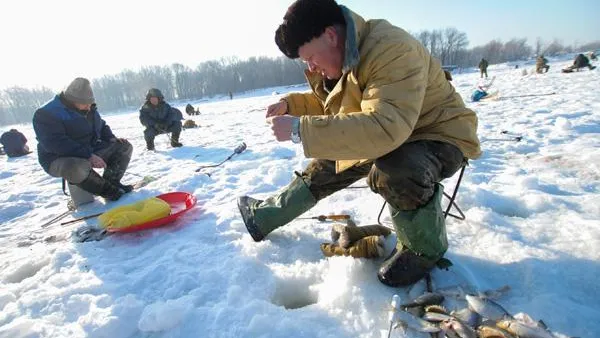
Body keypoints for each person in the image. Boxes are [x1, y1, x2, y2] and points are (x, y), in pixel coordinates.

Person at [237, 0, 481, 287]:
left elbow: (383, 127)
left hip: (440, 134)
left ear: (330, 35)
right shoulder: (347, 55)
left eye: (310, 58)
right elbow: (336, 104)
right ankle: (265, 216)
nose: (311, 67)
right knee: (331, 160)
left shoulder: (391, 49)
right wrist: (290, 104)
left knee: (395, 169)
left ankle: (423, 250)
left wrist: (298, 130)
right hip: (396, 132)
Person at [32, 77, 133, 201]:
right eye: (85, 104)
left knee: (123, 146)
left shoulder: (88, 108)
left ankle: (112, 183)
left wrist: (111, 138)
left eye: (90, 103)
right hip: (58, 157)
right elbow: (55, 143)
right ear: (72, 100)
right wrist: (88, 155)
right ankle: (109, 191)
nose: (89, 107)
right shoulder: (46, 113)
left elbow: (101, 125)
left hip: (88, 149)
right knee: (76, 167)